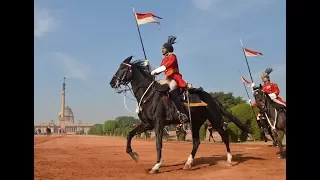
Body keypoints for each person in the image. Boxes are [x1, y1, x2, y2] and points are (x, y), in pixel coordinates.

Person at [151, 35, 189, 123]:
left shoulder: (173, 57)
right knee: (156, 86)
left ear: (168, 49)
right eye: (162, 48)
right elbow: (159, 70)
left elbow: (165, 66)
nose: (162, 50)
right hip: (167, 79)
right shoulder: (164, 59)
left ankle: (181, 113)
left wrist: (156, 70)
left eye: (163, 48)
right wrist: (149, 67)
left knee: (171, 89)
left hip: (175, 78)